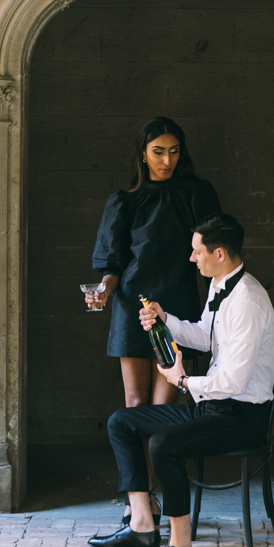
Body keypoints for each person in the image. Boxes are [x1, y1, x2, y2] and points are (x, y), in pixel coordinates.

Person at [89, 214, 274, 547]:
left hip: (243, 418)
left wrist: (184, 380)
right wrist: (165, 319)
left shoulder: (249, 301)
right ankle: (142, 524)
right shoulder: (221, 284)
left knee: (164, 445)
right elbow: (206, 336)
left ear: (218, 253)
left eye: (196, 252)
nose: (192, 259)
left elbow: (235, 381)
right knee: (122, 422)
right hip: (214, 407)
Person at [86, 117, 221, 525]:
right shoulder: (123, 200)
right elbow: (112, 261)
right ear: (143, 154)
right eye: (158, 151)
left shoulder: (198, 193)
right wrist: (105, 289)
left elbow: (215, 250)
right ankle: (140, 502)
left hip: (177, 307)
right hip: (131, 307)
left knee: (165, 411)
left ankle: (157, 496)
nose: (167, 160)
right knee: (134, 405)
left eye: (174, 151)